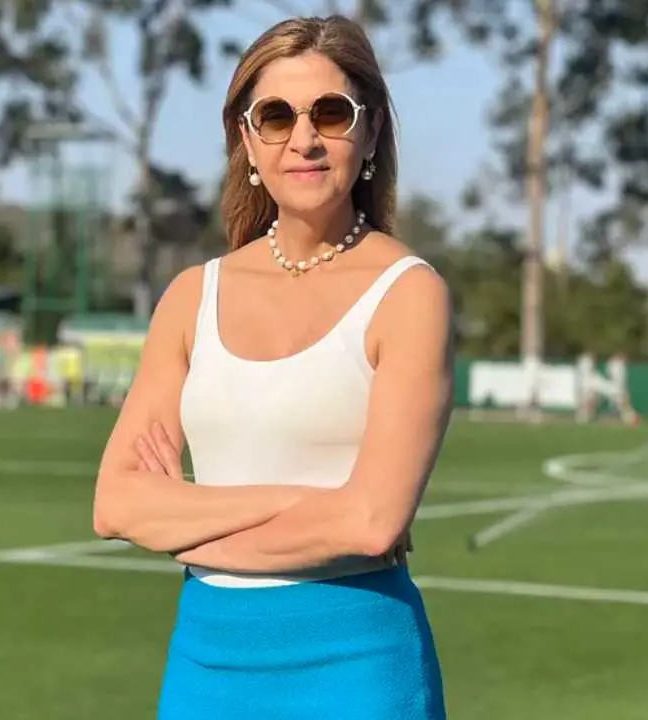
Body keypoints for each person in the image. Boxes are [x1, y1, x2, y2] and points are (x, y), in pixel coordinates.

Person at [92, 16, 450, 719]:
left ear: (371, 131)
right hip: (205, 666)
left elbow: (370, 525)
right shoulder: (192, 295)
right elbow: (117, 504)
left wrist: (185, 521)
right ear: (247, 139)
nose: (304, 138)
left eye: (331, 113)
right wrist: (307, 503)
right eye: (276, 116)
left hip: (357, 667)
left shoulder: (409, 294)